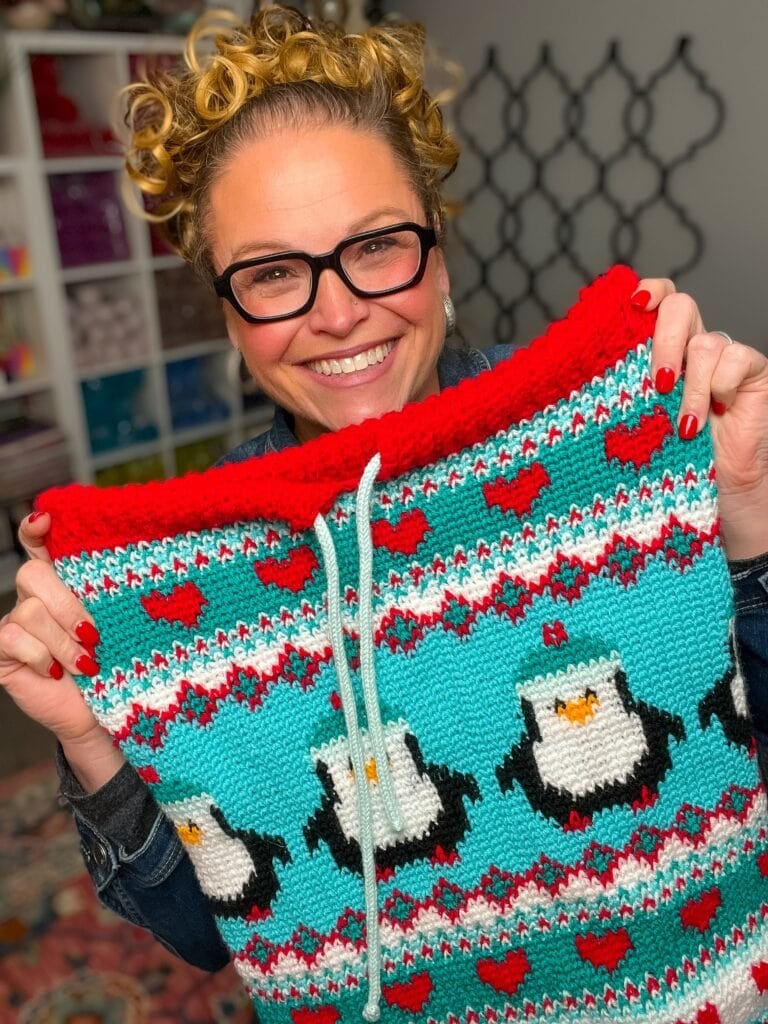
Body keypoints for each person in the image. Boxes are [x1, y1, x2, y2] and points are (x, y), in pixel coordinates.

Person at [1, 2, 767, 978]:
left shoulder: (603, 448)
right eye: (275, 273)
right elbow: (215, 935)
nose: (337, 310)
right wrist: (88, 736)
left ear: (437, 248)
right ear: (230, 316)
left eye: (374, 247)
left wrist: (748, 523)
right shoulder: (207, 578)